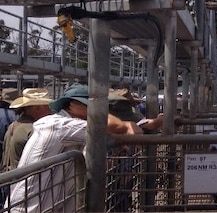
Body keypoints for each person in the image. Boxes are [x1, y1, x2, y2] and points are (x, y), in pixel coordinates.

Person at [6, 84, 141, 213]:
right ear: (73, 105)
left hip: (49, 204)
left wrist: (116, 141)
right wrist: (126, 126)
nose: (97, 110)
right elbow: (107, 124)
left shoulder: (72, 129)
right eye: (90, 105)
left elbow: (100, 140)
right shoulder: (57, 124)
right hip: (31, 207)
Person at [1, 89, 53, 172]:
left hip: (10, 176)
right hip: (23, 178)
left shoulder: (14, 125)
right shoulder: (34, 129)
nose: (50, 111)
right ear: (38, 108)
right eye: (48, 107)